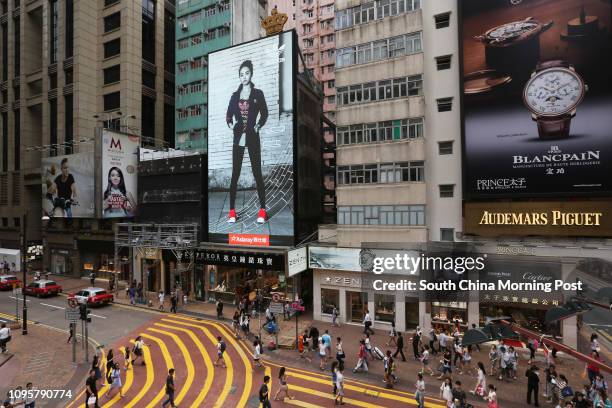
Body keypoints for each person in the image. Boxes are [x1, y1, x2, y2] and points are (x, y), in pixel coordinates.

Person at [225, 59, 269, 224]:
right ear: (239, 76)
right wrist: (230, 125)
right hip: (238, 139)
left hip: (253, 138)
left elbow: (264, 113)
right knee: (235, 175)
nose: (244, 77)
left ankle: (263, 211)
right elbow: (228, 115)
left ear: (251, 74)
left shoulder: (258, 94)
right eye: (241, 74)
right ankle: (231, 212)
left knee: (257, 173)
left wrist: (259, 125)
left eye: (247, 73)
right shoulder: (234, 96)